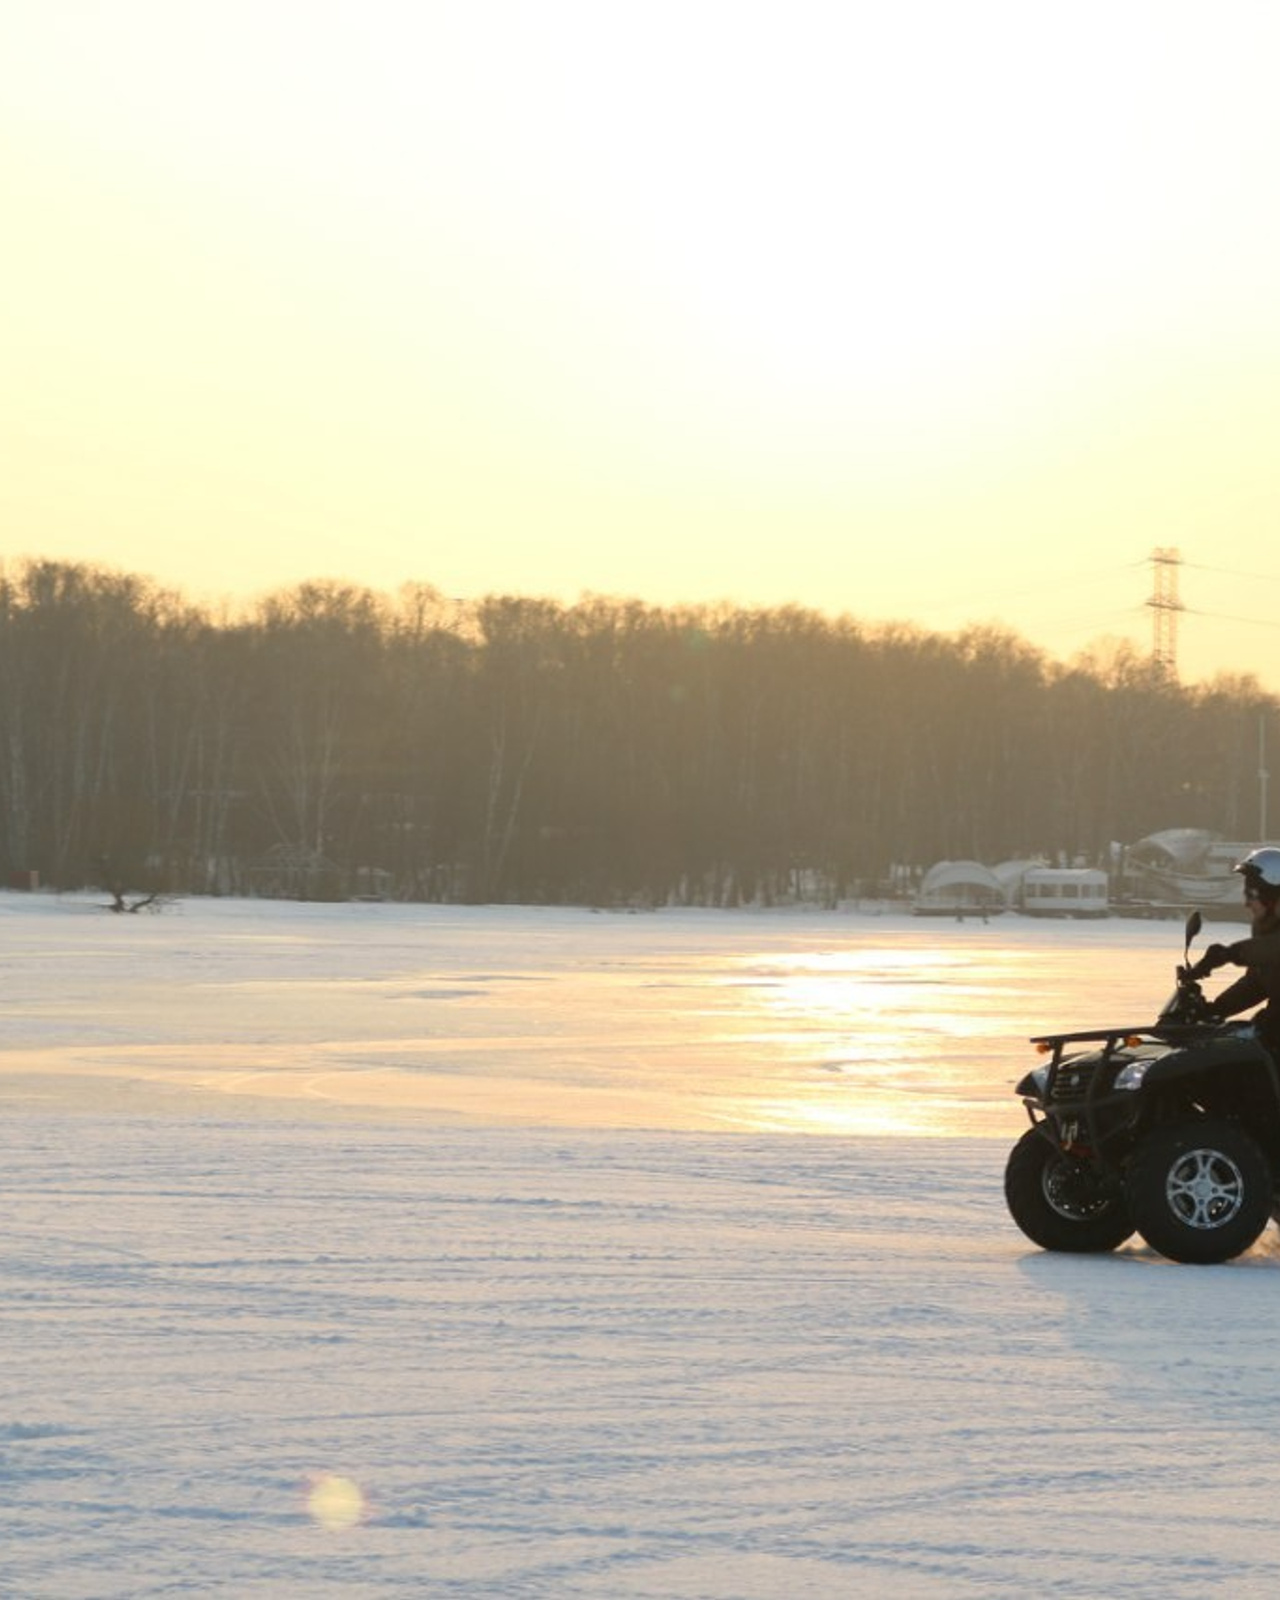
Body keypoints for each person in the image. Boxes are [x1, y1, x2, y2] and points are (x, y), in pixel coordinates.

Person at [1194, 847, 1280, 1048]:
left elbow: (1273, 949)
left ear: (1271, 894)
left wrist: (1231, 953)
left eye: (1252, 894)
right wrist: (1217, 1009)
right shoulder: (1266, 928)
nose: (1246, 903)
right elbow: (1257, 982)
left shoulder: (1269, 942)